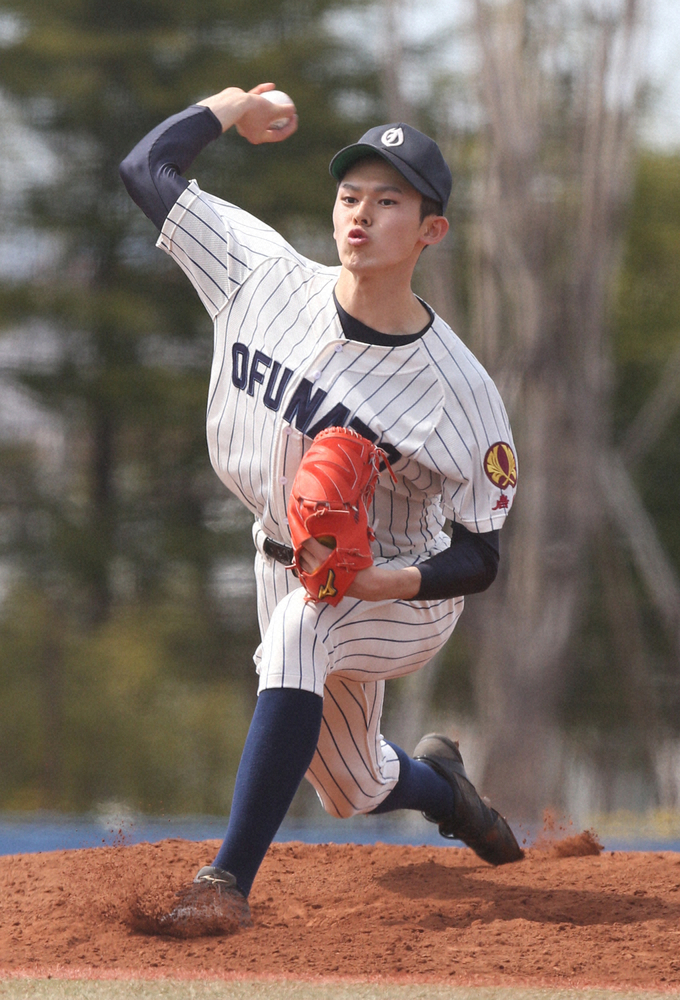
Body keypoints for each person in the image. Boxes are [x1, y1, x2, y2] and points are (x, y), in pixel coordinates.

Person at [120, 83, 522, 937]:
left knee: (306, 631)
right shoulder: (260, 275)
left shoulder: (459, 392)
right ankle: (444, 789)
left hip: (402, 593)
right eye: (349, 196)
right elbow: (146, 167)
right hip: (278, 557)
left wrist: (387, 579)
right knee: (349, 784)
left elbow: (484, 555)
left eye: (388, 201)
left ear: (431, 231)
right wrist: (231, 104)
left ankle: (225, 880)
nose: (360, 216)